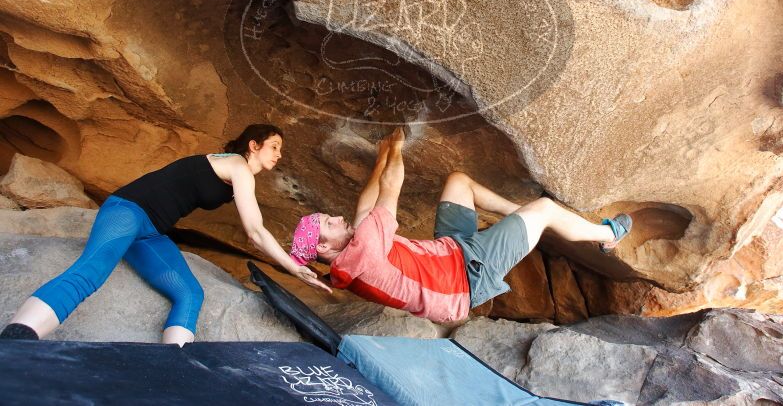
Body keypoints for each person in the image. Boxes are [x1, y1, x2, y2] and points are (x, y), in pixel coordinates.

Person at [0, 124, 330, 346]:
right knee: (90, 273)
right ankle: (17, 338)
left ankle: (172, 362)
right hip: (127, 210)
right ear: (253, 145)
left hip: (150, 234)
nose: (279, 154)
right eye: (274, 146)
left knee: (190, 293)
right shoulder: (238, 166)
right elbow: (255, 231)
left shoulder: (237, 174)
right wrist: (293, 267)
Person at [289, 127, 632, 323]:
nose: (336, 218)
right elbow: (391, 187)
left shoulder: (349, 261)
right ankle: (608, 236)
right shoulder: (364, 250)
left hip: (449, 254)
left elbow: (365, 203)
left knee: (459, 182)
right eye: (328, 223)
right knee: (545, 208)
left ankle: (520, 218)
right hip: (468, 276)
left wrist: (379, 157)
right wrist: (396, 144)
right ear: (322, 247)